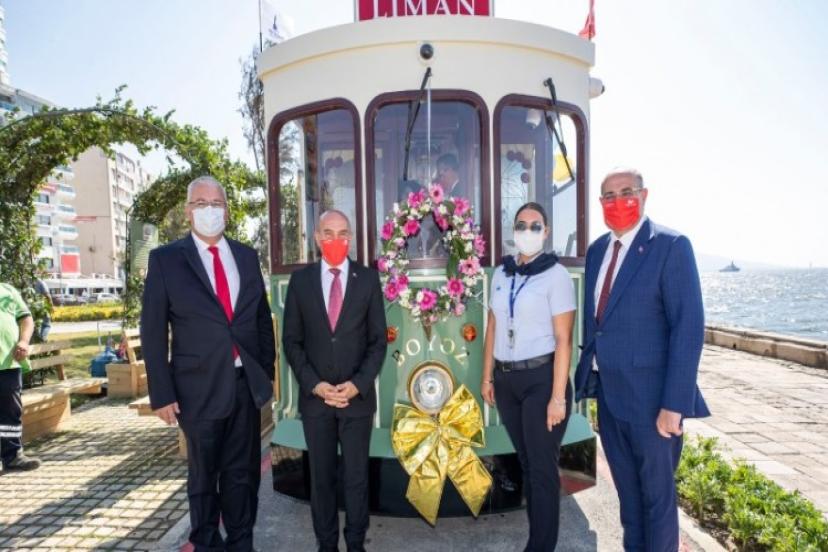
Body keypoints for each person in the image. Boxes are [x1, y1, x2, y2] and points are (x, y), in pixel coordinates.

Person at [574, 168, 709, 551]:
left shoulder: (671, 246)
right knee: (630, 504)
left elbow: (688, 328)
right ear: (600, 203)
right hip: (611, 400)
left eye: (626, 192)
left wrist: (674, 405)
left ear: (644, 195)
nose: (617, 201)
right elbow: (597, 324)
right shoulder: (597, 251)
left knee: (657, 504)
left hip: (653, 404)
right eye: (609, 195)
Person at [141, 175, 276, 552]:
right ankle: (205, 542)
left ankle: (241, 542)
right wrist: (161, 393)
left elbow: (261, 319)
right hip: (195, 389)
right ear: (188, 212)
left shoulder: (246, 256)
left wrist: (264, 371)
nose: (209, 210)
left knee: (243, 475)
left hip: (243, 385)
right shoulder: (166, 260)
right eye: (201, 204)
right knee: (204, 477)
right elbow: (153, 331)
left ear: (227, 212)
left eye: (216, 204)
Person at [282, 210, 387, 552]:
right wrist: (315, 384)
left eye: (342, 233)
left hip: (356, 400)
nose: (336, 240)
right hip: (317, 401)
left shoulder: (368, 280)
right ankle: (326, 544)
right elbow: (292, 342)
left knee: (356, 479)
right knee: (322, 480)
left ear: (351, 238)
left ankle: (356, 543)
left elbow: (377, 342)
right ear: (317, 237)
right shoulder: (301, 282)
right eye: (328, 233)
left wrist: (358, 384)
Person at [481, 202, 575, 551]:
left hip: (542, 380)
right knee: (527, 463)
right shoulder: (501, 274)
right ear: (514, 230)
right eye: (521, 225)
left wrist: (558, 397)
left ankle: (540, 545)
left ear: (546, 232)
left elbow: (564, 339)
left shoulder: (556, 275)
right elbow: (492, 326)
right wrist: (487, 377)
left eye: (535, 226)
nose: (528, 232)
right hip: (507, 382)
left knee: (541, 469)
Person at [0, 282, 40, 471]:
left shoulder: (7, 290)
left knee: (11, 412)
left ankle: (13, 456)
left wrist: (24, 341)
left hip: (9, 362)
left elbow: (26, 319)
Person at [33, 277, 52, 342]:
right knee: (46, 324)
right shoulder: (40, 282)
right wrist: (51, 306)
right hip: (41, 306)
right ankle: (43, 339)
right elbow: (47, 295)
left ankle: (37, 339)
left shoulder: (26, 282)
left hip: (31, 307)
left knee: (36, 325)